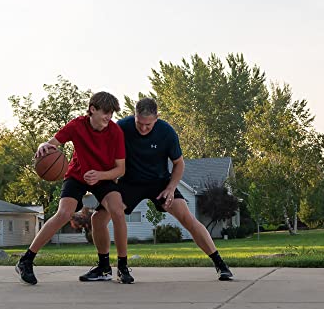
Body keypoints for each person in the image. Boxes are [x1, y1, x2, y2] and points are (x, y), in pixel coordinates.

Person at [85, 97, 233, 281]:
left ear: (157, 117)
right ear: (134, 115)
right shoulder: (121, 127)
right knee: (98, 218)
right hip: (129, 182)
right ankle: (105, 268)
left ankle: (220, 264)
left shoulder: (167, 132)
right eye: (140, 123)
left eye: (149, 124)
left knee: (187, 218)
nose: (144, 128)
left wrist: (171, 188)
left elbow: (179, 164)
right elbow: (98, 144)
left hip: (159, 183)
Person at [15, 92, 133, 285]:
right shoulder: (77, 125)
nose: (108, 117)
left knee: (118, 210)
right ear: (92, 109)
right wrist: (42, 144)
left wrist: (100, 175)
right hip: (77, 176)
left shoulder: (115, 132)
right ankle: (26, 260)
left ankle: (120, 267)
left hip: (103, 177)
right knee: (63, 213)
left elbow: (120, 169)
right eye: (105, 112)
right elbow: (51, 145)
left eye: (111, 113)